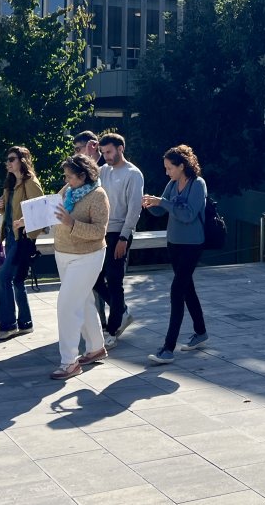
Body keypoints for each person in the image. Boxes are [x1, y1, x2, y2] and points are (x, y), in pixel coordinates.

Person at [143, 144, 209, 365]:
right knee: (187, 288)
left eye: (170, 168)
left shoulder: (198, 184)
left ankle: (168, 348)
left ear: (182, 166)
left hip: (192, 244)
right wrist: (150, 203)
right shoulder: (172, 183)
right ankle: (200, 332)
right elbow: (162, 209)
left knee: (177, 290)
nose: (167, 172)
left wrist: (163, 202)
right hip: (174, 243)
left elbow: (188, 214)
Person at [49, 155, 110, 380]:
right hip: (63, 253)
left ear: (83, 176)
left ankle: (69, 362)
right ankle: (95, 347)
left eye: (70, 176)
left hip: (88, 256)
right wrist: (27, 220)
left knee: (66, 306)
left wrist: (72, 223)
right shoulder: (69, 189)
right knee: (82, 301)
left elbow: (99, 231)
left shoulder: (98, 196)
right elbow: (52, 209)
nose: (66, 180)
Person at [94, 133, 144, 348]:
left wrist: (125, 236)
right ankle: (121, 310)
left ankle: (113, 329)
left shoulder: (133, 174)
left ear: (120, 148)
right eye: (103, 153)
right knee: (94, 279)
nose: (106, 156)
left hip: (119, 233)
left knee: (114, 280)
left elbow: (134, 208)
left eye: (109, 152)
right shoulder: (102, 170)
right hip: (101, 232)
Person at [0, 146, 45, 339]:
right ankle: (25, 323)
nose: (8, 163)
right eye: (7, 159)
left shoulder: (31, 182)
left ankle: (8, 325)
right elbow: (7, 209)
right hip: (11, 238)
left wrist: (27, 228)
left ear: (23, 160)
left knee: (4, 278)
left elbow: (41, 212)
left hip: (23, 239)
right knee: (17, 280)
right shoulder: (10, 183)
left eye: (12, 159)